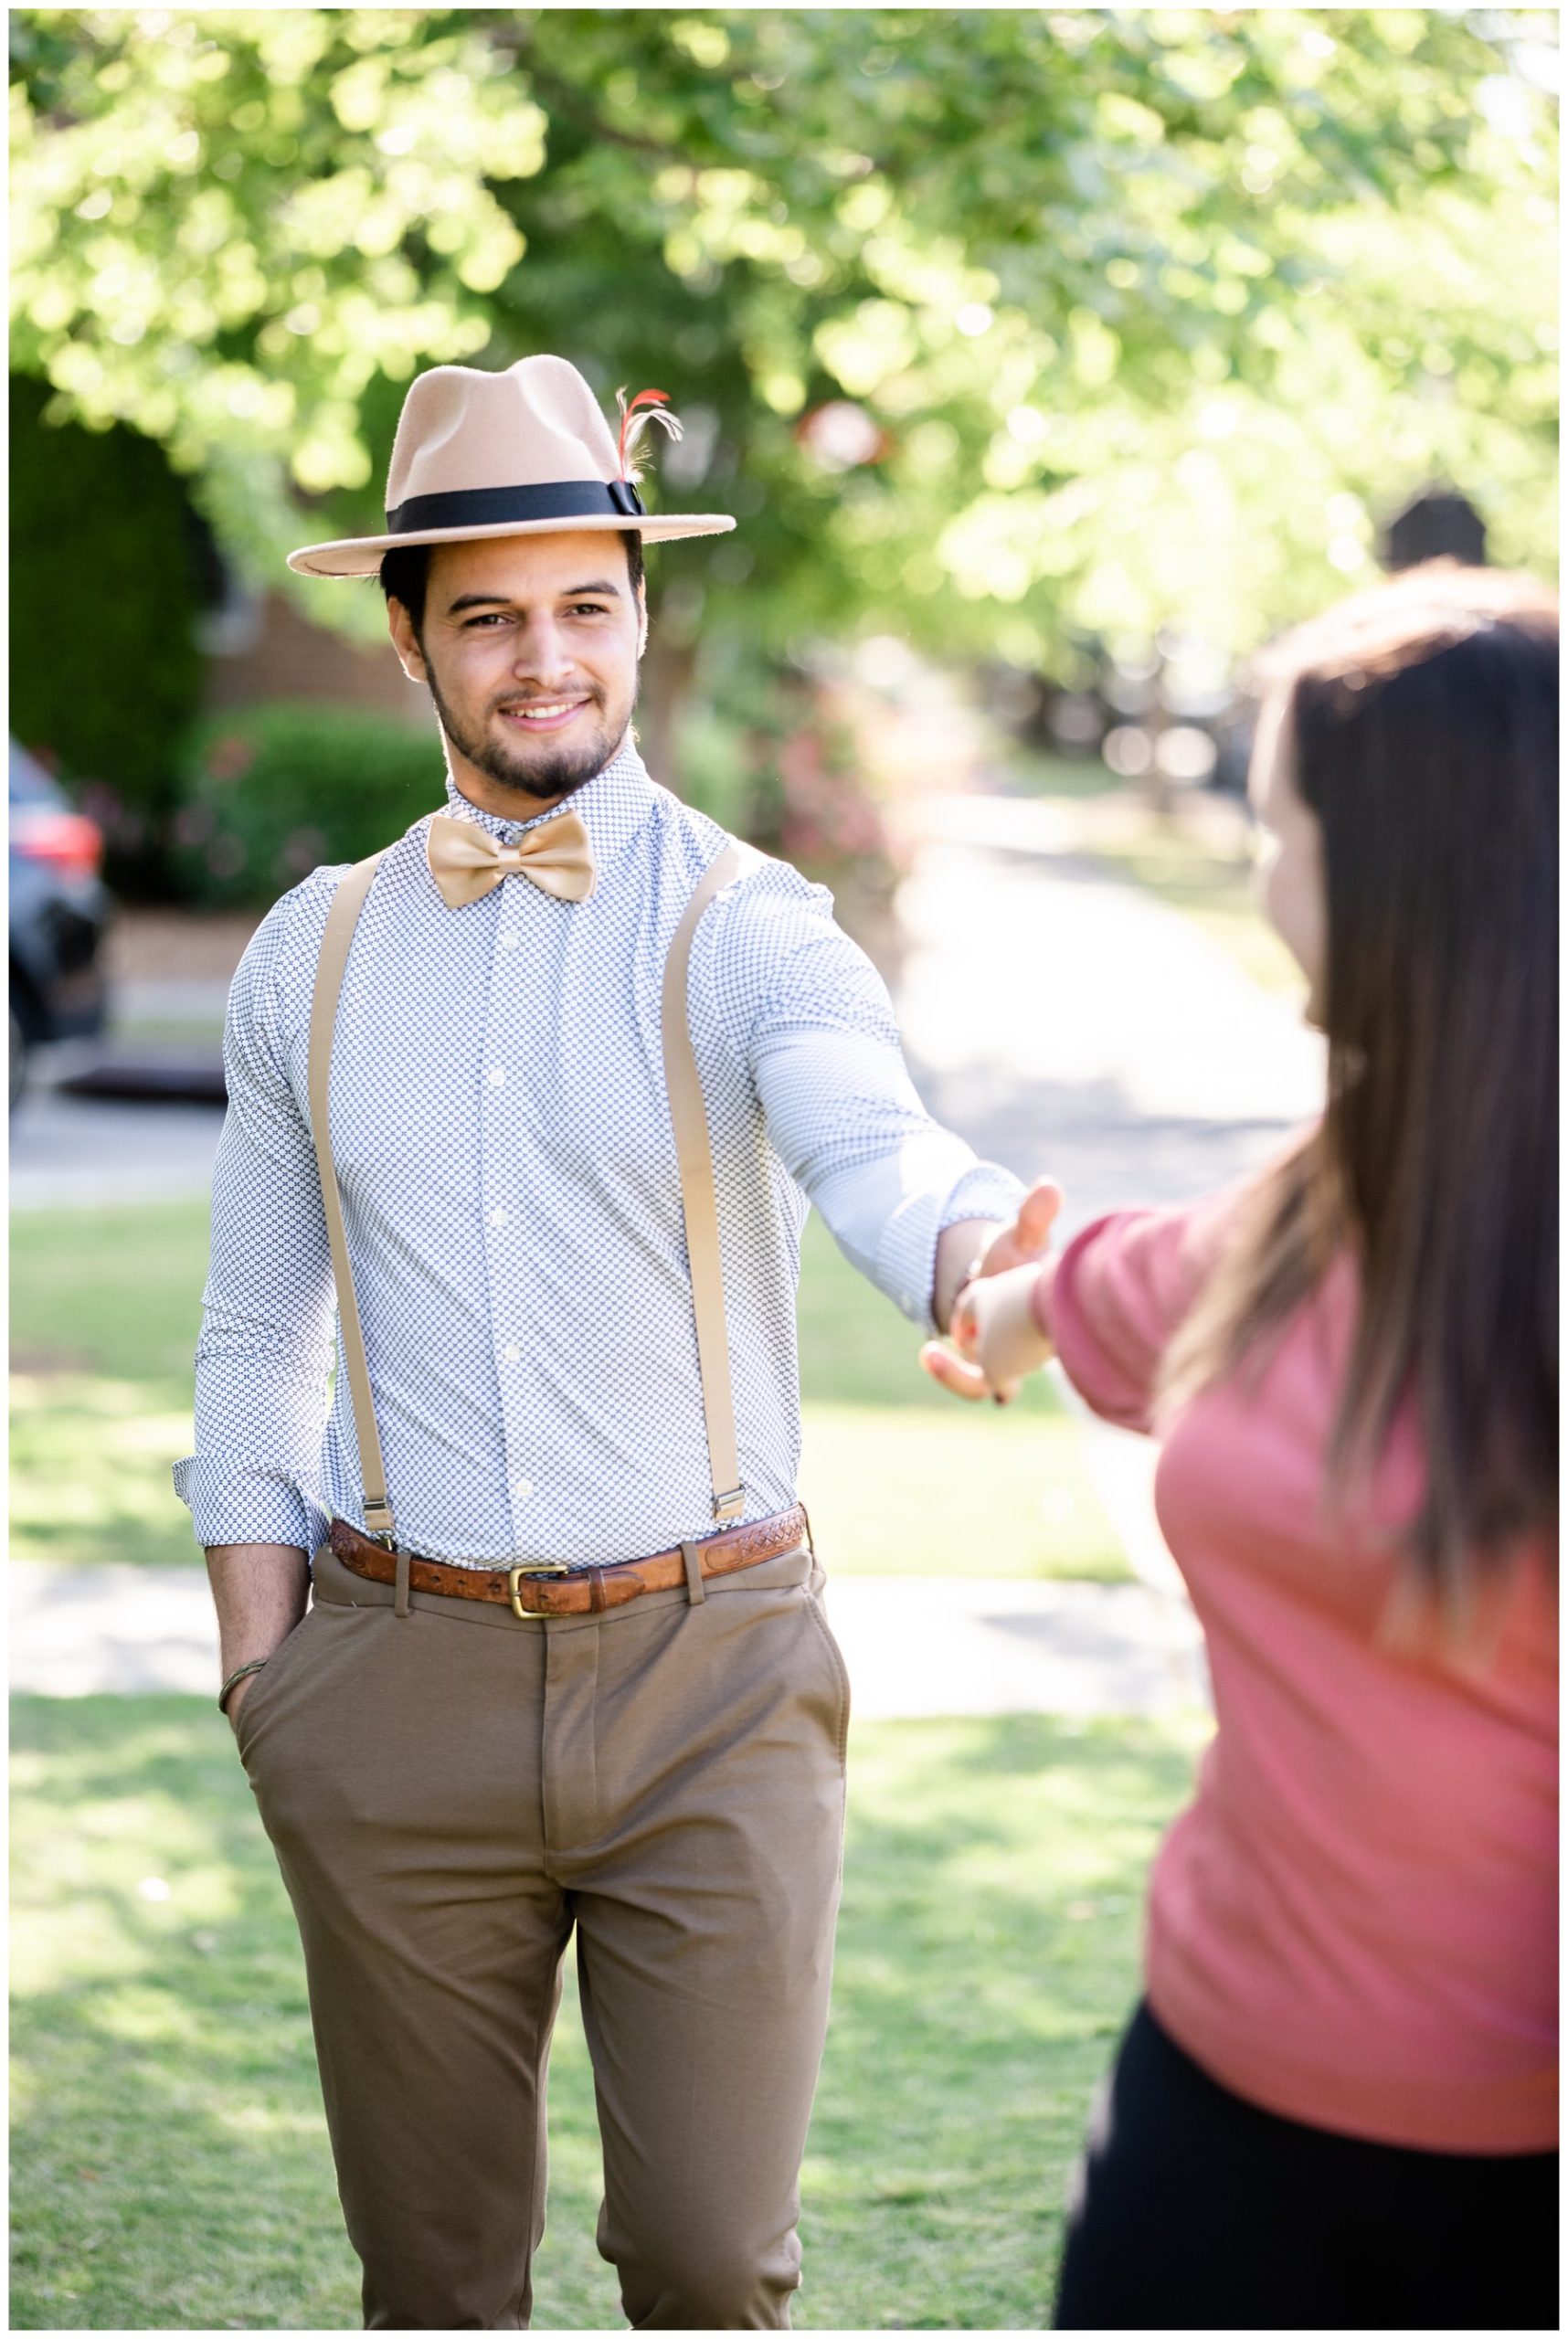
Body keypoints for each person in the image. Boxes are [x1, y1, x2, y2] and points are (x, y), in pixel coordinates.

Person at [174, 352, 1035, 2331]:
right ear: (409, 637)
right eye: (488, 615)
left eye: (585, 606)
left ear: (640, 612)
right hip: (395, 1679)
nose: (544, 659)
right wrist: (264, 1688)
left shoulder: (754, 927)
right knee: (437, 2280)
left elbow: (874, 1144)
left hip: (712, 1679)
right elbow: (250, 1338)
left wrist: (975, 1253)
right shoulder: (308, 953)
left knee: (712, 2262)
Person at [925, 563, 1558, 2331]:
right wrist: (1002, 1309)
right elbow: (1105, 1286)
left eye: (1270, 822)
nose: (1254, 860)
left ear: (1391, 872)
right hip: (1213, 2114)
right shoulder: (1326, 1197)